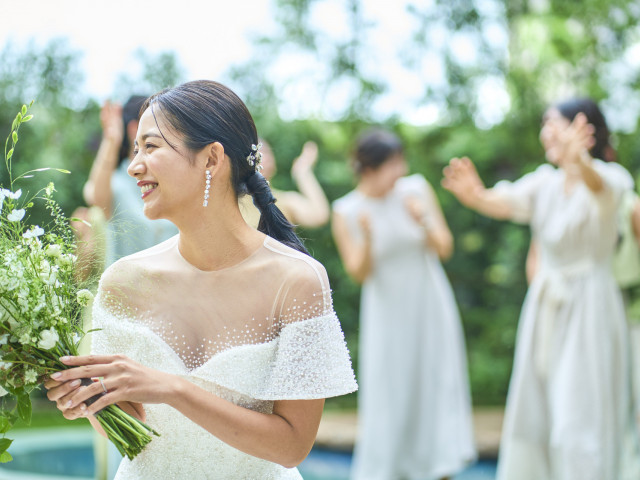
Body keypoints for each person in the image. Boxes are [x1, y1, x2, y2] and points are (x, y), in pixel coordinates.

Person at [45, 80, 358, 479]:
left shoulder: (297, 281)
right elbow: (125, 429)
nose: (134, 164)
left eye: (152, 147)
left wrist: (173, 389)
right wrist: (86, 400)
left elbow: (293, 446)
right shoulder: (122, 280)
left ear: (211, 159)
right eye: (135, 148)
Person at [442, 98, 640, 480]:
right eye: (544, 123)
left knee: (580, 413)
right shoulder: (543, 182)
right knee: (538, 411)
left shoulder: (611, 177)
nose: (545, 131)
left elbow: (600, 190)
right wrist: (477, 197)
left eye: (555, 123)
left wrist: (578, 160)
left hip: (591, 306)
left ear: (583, 129)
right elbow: (507, 202)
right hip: (545, 307)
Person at [331, 129, 476, 480]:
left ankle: (440, 467)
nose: (401, 170)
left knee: (435, 381)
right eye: (393, 164)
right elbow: (358, 273)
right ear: (369, 169)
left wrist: (423, 220)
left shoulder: (416, 190)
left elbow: (445, 247)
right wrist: (366, 238)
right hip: (386, 313)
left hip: (429, 304)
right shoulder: (346, 210)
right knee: (391, 388)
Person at [83, 95, 177, 267]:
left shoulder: (176, 179)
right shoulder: (118, 183)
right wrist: (111, 140)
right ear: (134, 128)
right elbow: (95, 198)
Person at [239, 138, 330, 229]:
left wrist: (303, 173)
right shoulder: (232, 201)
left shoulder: (283, 200)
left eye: (267, 152)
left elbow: (319, 215)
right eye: (257, 153)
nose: (265, 158)